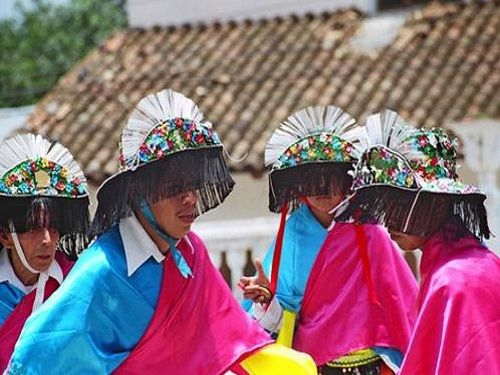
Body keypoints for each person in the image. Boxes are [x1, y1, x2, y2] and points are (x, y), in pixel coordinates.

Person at [7, 90, 316, 375]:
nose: (189, 198)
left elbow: (228, 341)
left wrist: (268, 311)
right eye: (175, 188)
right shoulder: (101, 271)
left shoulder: (191, 253)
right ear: (141, 190)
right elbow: (36, 359)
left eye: (193, 186)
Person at [240, 107, 418, 374]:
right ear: (298, 186)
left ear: (348, 180)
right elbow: (280, 327)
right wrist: (266, 301)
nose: (321, 189)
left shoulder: (371, 233)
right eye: (312, 180)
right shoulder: (291, 237)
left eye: (330, 179)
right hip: (315, 367)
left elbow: (401, 311)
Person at [344, 111, 500, 374]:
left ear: (437, 203)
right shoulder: (480, 262)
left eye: (400, 205)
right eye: (386, 206)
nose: (388, 220)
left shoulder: (451, 279)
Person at [0, 133, 90, 370]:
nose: (47, 240)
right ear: (5, 236)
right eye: (33, 229)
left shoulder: (78, 284)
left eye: (53, 227)